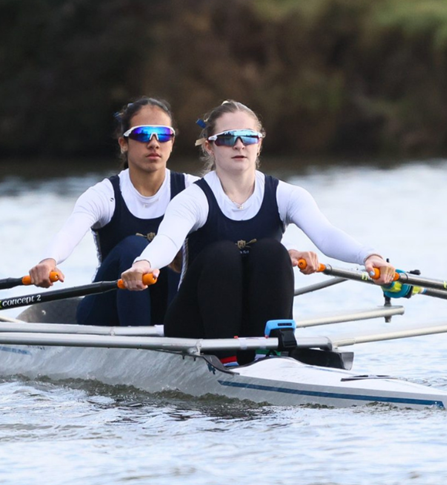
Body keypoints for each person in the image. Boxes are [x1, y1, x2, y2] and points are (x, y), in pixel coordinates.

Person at [119, 99, 395, 355]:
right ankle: (225, 355)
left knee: (272, 252)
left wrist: (370, 257)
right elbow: (167, 241)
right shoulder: (193, 198)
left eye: (248, 137)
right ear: (209, 147)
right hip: (194, 328)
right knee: (223, 255)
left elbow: (326, 235)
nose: (239, 145)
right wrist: (143, 265)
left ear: (259, 144)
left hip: (252, 324)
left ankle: (275, 350)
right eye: (227, 139)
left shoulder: (286, 195)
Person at [28, 97, 196, 326]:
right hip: (106, 312)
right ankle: (139, 344)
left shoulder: (193, 190)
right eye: (143, 134)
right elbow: (70, 233)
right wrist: (49, 261)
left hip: (167, 308)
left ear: (172, 141)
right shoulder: (104, 194)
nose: (154, 143)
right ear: (123, 143)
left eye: (163, 134)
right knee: (134, 247)